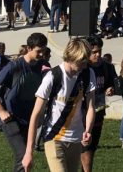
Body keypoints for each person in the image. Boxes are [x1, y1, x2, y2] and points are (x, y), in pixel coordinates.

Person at [23, 37, 96, 172]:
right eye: (82, 62)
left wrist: (88, 131)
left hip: (76, 138)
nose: (85, 66)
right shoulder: (52, 76)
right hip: (54, 137)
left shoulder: (87, 73)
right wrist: (28, 152)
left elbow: (91, 106)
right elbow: (35, 115)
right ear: (72, 57)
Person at [0, 33, 49, 172]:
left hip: (29, 119)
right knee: (23, 157)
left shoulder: (44, 65)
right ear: (29, 48)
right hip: (10, 118)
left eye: (43, 51)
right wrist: (1, 111)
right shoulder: (14, 66)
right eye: (38, 51)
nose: (41, 55)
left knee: (26, 158)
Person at [82, 36, 114, 172]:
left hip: (98, 112)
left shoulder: (107, 66)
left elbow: (113, 83)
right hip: (81, 114)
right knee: (86, 148)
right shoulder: (81, 68)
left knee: (92, 148)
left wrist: (111, 89)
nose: (98, 55)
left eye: (99, 51)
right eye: (94, 52)